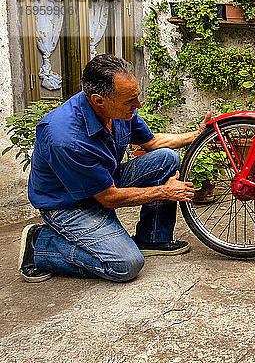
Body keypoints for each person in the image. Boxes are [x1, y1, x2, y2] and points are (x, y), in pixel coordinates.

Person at [18, 54, 210, 283]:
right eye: (131, 101)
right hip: (69, 206)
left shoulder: (117, 109)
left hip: (104, 182)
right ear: (99, 100)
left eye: (137, 96)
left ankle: (152, 238)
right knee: (125, 264)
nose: (138, 105)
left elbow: (152, 143)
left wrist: (197, 136)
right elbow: (109, 198)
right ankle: (40, 245)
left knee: (166, 158)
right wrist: (163, 192)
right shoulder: (65, 137)